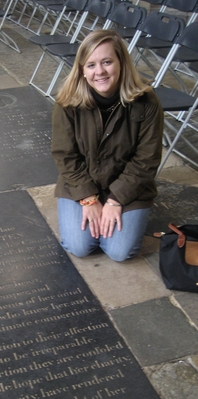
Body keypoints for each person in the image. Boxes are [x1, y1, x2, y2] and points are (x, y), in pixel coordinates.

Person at [51, 29, 164, 262]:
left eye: (106, 62)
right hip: (81, 182)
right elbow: (65, 154)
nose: (99, 71)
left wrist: (115, 200)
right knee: (79, 246)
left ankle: (119, 219)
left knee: (118, 252)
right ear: (82, 70)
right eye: (91, 65)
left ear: (121, 62)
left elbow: (147, 159)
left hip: (129, 185)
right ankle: (93, 217)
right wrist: (88, 198)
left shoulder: (146, 101)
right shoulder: (67, 102)